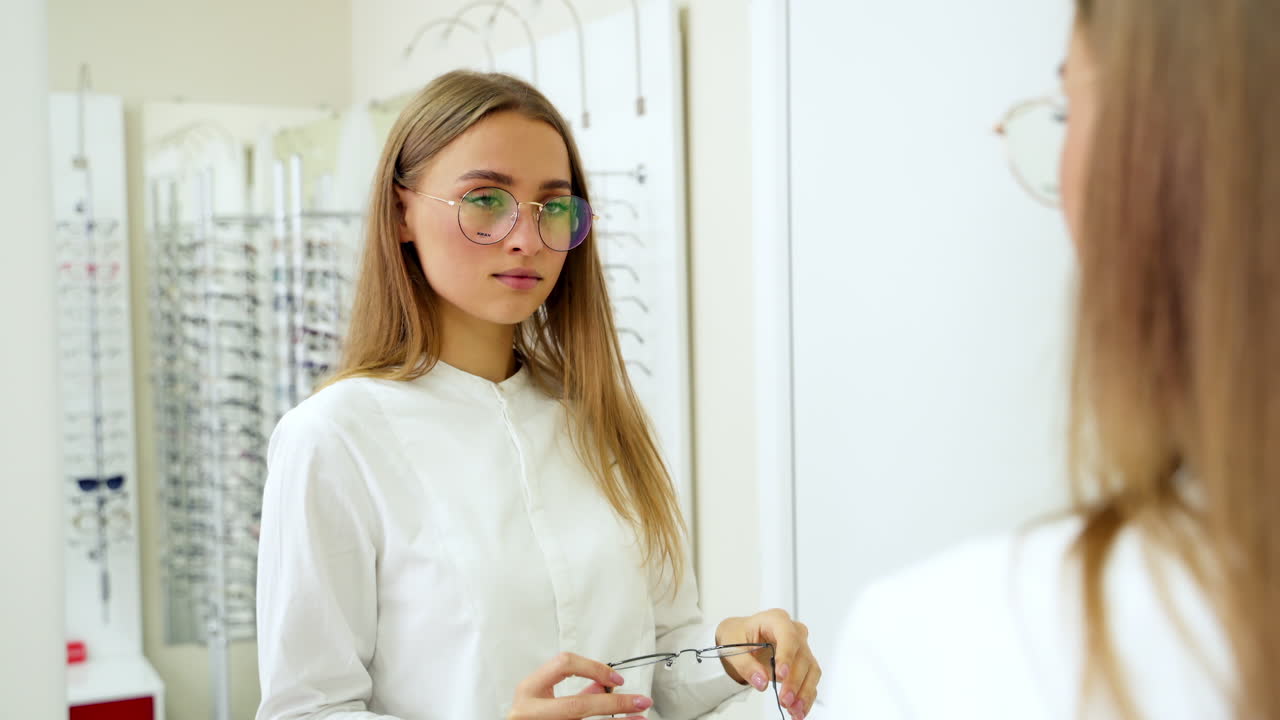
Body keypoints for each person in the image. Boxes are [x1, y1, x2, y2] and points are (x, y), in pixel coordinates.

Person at [254, 70, 821, 720]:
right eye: (486, 200)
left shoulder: (601, 416)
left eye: (554, 206)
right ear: (400, 212)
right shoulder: (334, 438)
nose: (526, 238)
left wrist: (728, 652)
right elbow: (306, 710)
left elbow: (652, 667)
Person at [828, 1, 1280, 718]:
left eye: (1068, 112)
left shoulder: (941, 649)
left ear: (1146, 178)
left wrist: (722, 664)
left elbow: (673, 641)